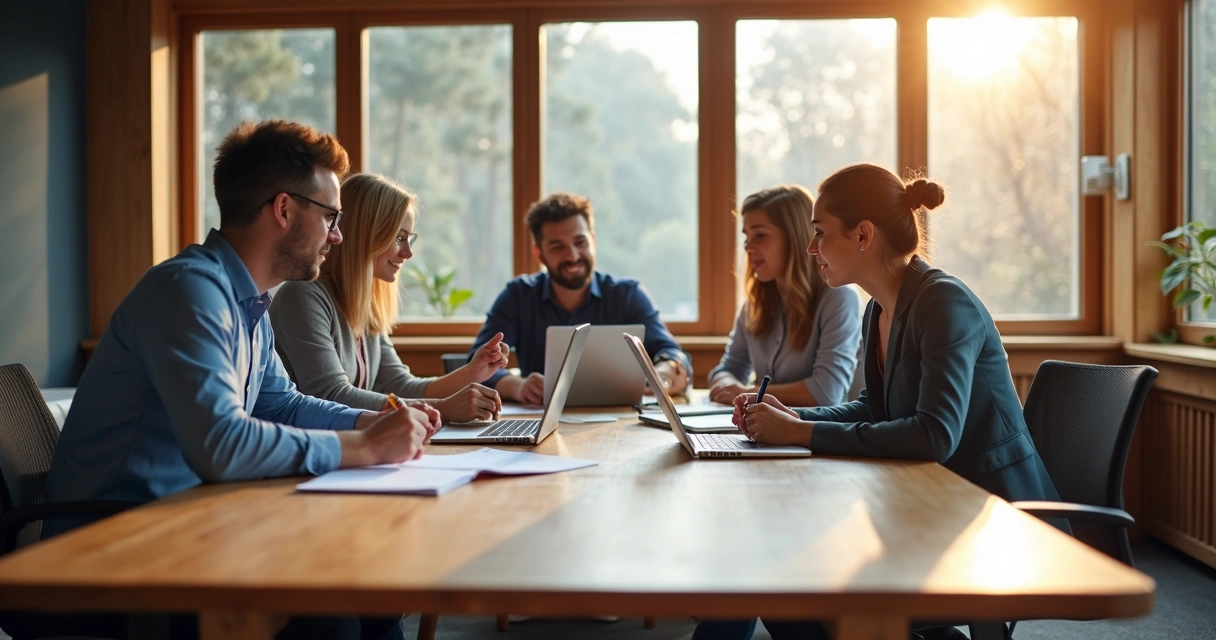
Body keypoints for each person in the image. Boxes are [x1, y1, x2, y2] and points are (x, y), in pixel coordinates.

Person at [39, 120, 431, 640]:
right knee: (331, 620)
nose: (338, 235)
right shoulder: (189, 293)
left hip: (196, 523)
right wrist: (362, 445)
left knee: (373, 587)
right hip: (118, 549)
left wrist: (375, 418)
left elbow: (283, 404)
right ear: (284, 210)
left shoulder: (248, 302)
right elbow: (220, 444)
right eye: (331, 217)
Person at [695, 164, 1064, 640]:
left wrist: (802, 431)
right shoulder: (880, 308)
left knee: (787, 585)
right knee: (773, 571)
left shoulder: (943, 303)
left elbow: (934, 435)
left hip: (990, 519)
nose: (812, 249)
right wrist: (795, 416)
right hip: (930, 504)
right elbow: (875, 407)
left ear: (863, 235)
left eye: (820, 233)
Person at [271, 173, 509, 422]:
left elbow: (399, 385)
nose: (407, 253)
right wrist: (441, 409)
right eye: (399, 238)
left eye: (409, 238)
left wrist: (472, 372)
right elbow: (332, 395)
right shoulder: (303, 296)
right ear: (366, 235)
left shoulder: (365, 303)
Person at [470, 191, 692, 404]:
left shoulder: (628, 295)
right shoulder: (518, 296)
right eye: (558, 247)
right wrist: (517, 386)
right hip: (542, 420)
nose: (573, 256)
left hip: (622, 423)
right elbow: (475, 366)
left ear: (593, 241)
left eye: (580, 242)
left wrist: (663, 375)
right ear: (539, 253)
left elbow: (673, 354)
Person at [707, 185, 861, 408]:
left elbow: (826, 392)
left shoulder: (839, 298)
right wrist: (728, 385)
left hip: (813, 439)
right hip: (766, 434)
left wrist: (746, 393)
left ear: (795, 238)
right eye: (746, 237)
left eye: (760, 235)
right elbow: (727, 369)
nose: (749, 247)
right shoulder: (754, 304)